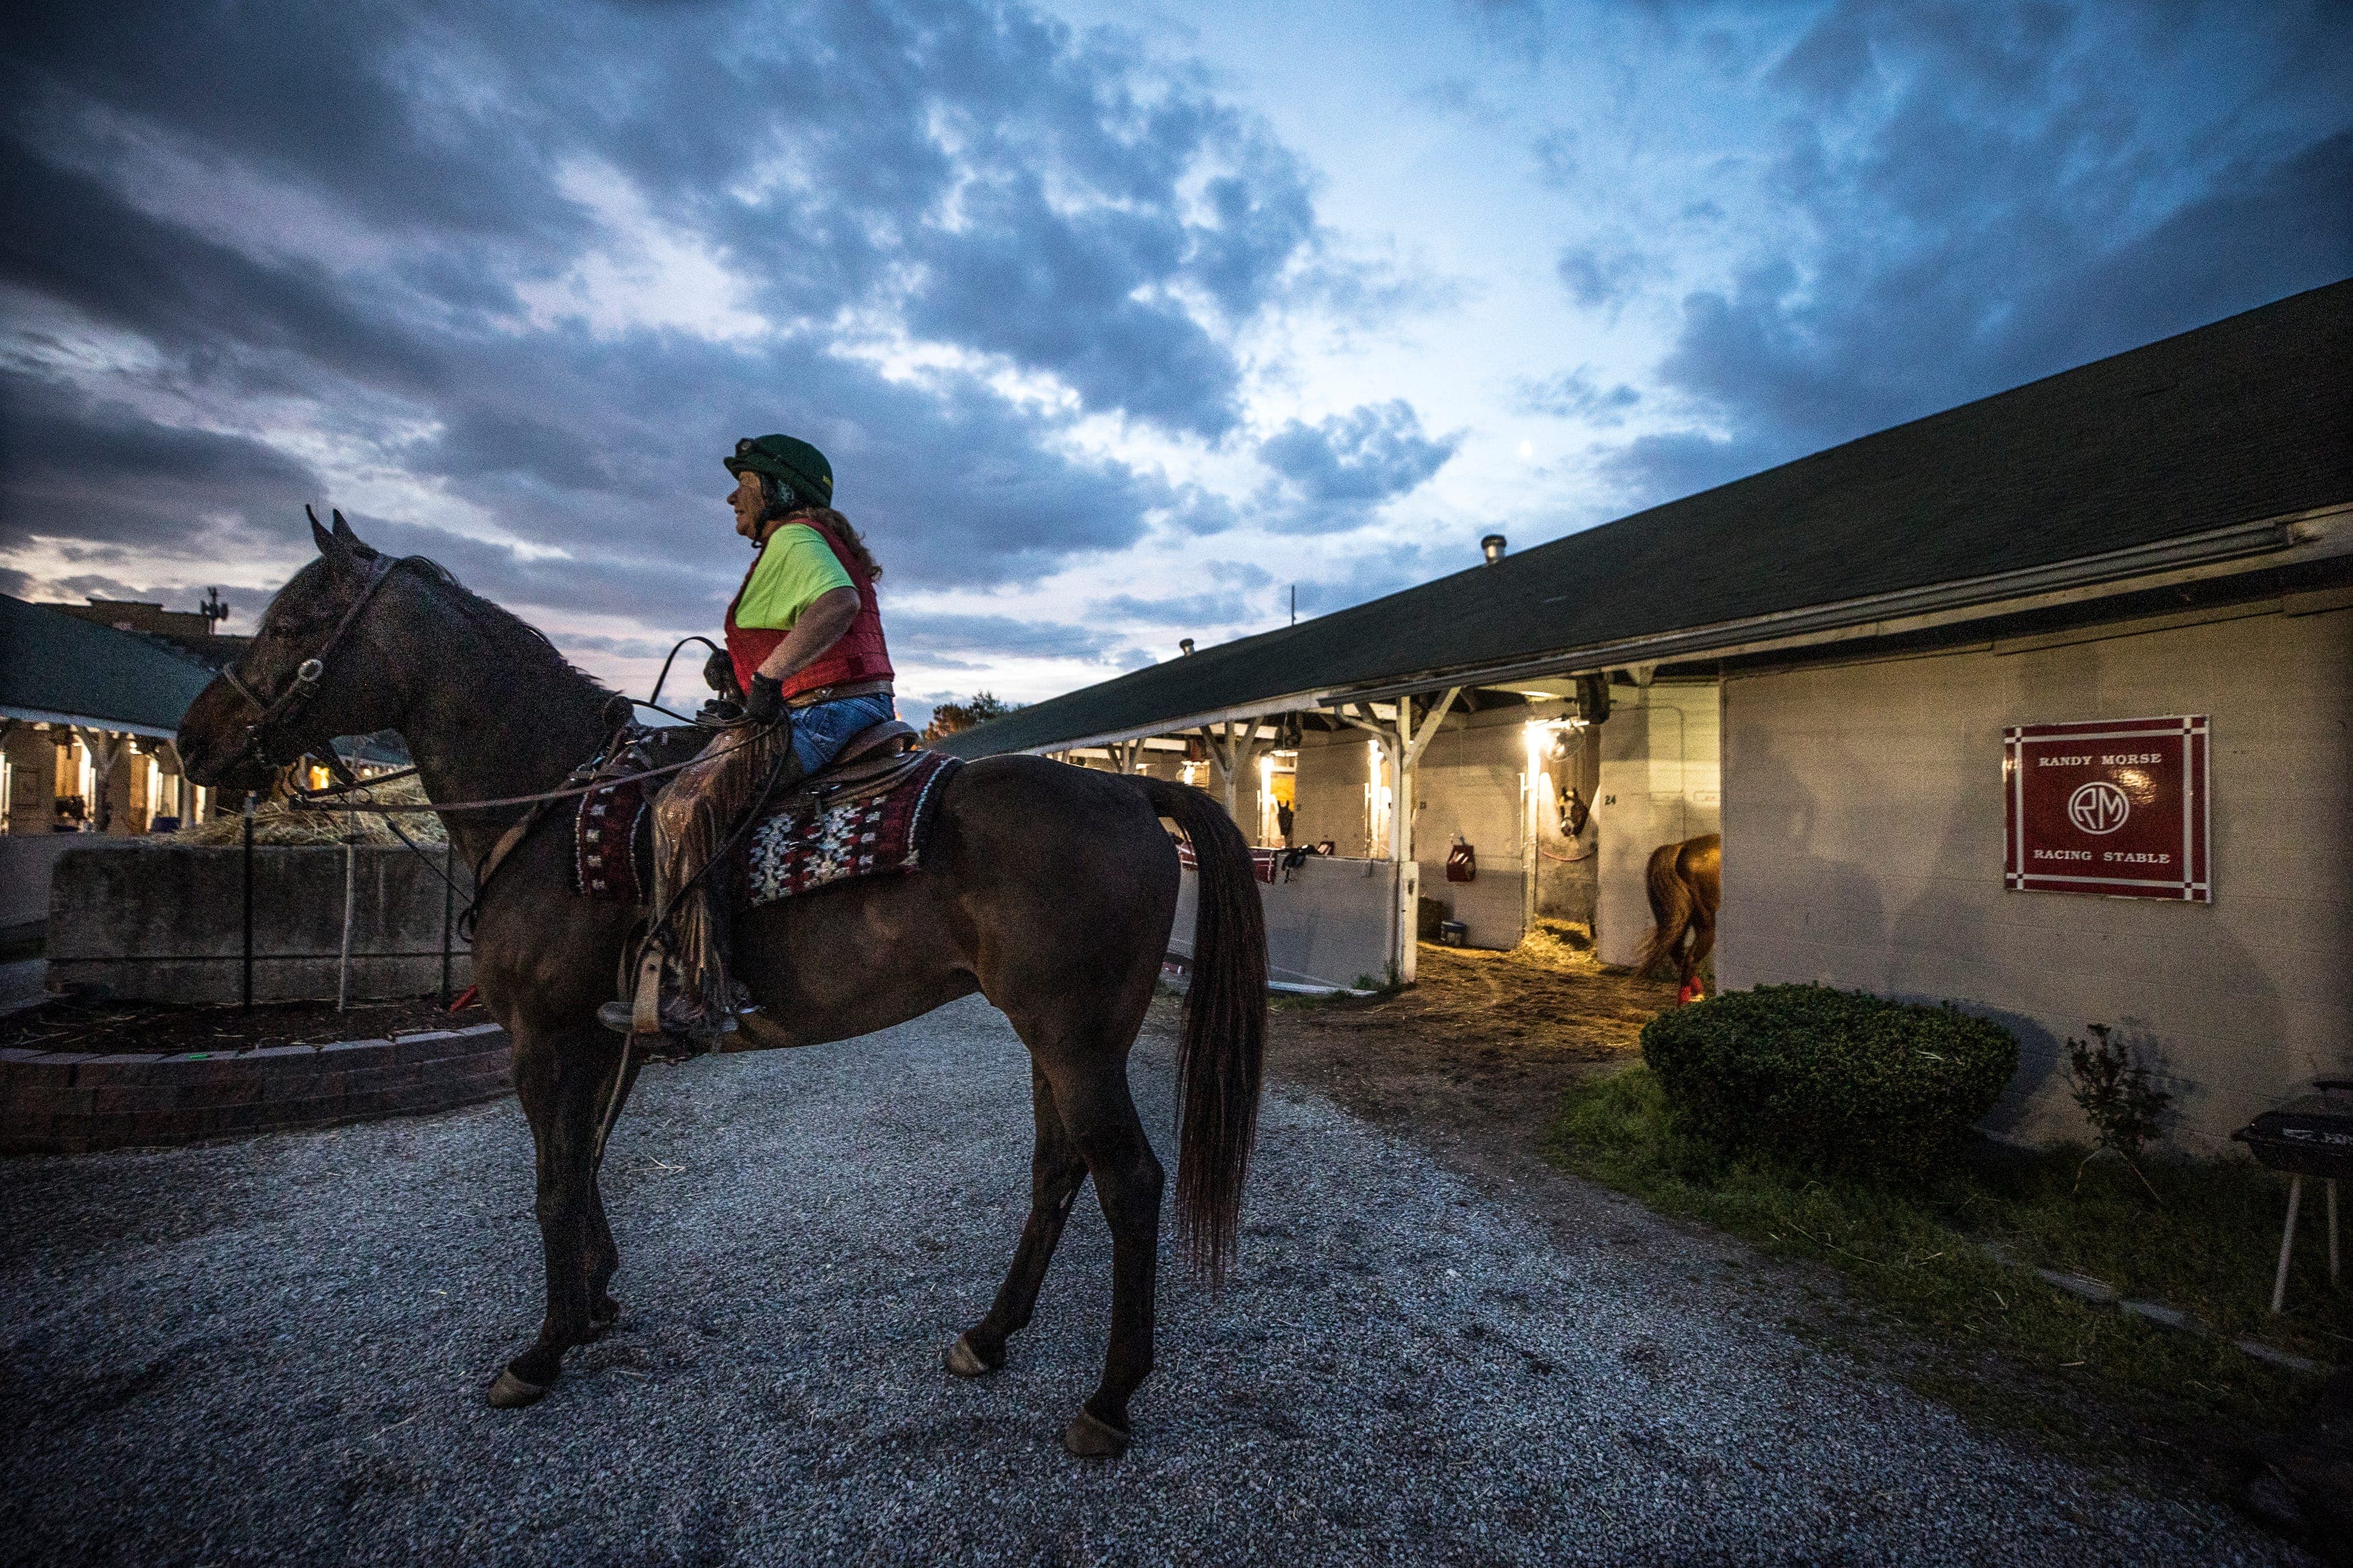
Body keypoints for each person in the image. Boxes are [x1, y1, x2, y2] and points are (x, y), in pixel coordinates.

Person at [598, 434, 896, 1042]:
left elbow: (835, 603)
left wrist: (767, 677)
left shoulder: (793, 538)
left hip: (823, 713)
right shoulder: (808, 542)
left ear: (780, 491)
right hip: (850, 704)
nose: (733, 496)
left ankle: (703, 995)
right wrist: (739, 677)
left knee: (681, 807)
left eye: (747, 483)